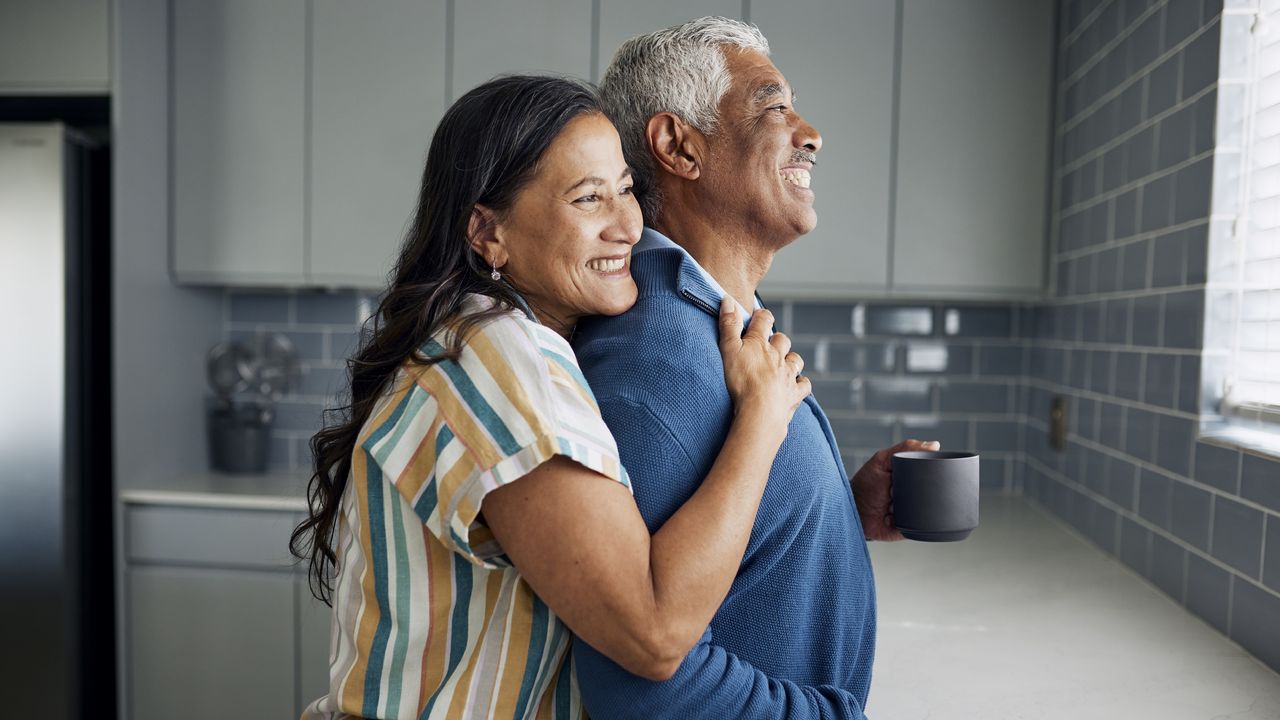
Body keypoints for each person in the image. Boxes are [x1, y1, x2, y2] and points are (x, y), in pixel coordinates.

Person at [289, 74, 813, 719]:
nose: (627, 225)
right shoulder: (502, 360)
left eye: (626, 189)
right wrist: (762, 419)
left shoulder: (480, 340)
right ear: (489, 232)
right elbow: (653, 634)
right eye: (588, 199)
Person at [569, 17, 941, 719]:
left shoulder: (716, 319)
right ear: (680, 146)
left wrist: (833, 514)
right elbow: (644, 688)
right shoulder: (657, 358)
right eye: (774, 106)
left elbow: (718, 550)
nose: (811, 133)